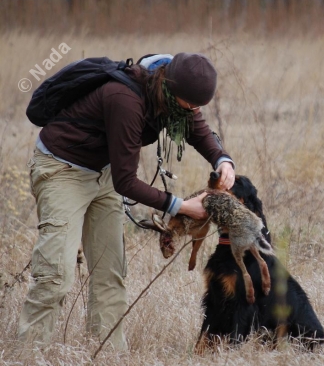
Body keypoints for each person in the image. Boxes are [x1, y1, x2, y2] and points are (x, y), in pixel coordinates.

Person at [18, 52, 235, 350]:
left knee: (111, 273)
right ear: (173, 91)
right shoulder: (125, 99)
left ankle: (107, 359)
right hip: (62, 169)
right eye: (191, 105)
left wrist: (223, 160)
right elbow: (126, 182)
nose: (195, 111)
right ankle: (28, 359)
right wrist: (181, 206)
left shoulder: (170, 89)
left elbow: (195, 125)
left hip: (103, 172)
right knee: (55, 274)